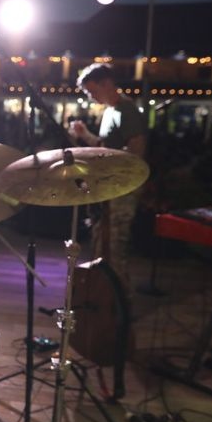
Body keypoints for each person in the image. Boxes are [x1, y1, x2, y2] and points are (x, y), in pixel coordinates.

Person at [69, 63, 148, 292]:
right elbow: (106, 148)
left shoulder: (127, 111)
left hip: (123, 190)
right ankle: (106, 302)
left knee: (114, 250)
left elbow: (136, 153)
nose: (91, 97)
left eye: (93, 91)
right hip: (109, 189)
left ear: (107, 84)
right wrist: (85, 136)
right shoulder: (110, 112)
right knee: (102, 248)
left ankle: (120, 308)